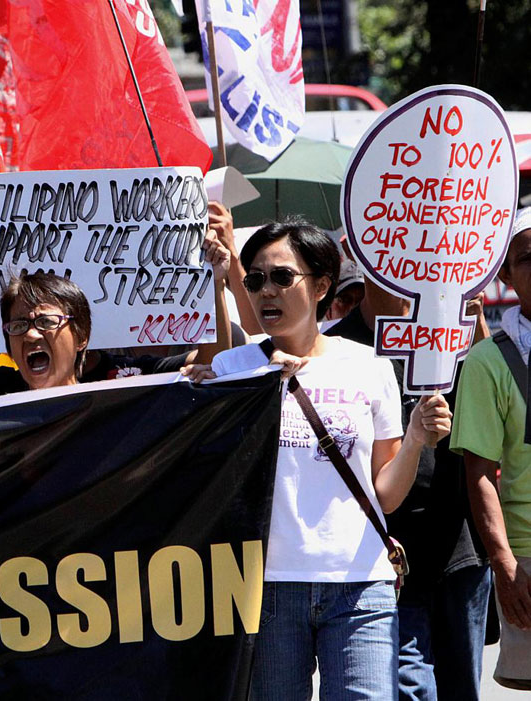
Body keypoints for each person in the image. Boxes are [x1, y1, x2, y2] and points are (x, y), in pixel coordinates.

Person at [187, 219, 451, 699]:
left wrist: (414, 440)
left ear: (322, 284)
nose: (267, 291)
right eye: (254, 280)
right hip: (264, 589)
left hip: (360, 587)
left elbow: (387, 496)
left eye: (282, 277)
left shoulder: (369, 368)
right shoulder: (232, 368)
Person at [327, 273, 491, 700]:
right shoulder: (338, 347)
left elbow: (491, 409)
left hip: (460, 544)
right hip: (386, 549)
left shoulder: (451, 331)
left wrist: (475, 326)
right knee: (411, 686)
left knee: (461, 688)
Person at [0, 227, 232, 405]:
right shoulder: (6, 390)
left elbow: (211, 366)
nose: (31, 335)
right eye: (19, 325)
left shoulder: (127, 380)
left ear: (82, 335)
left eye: (46, 322)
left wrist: (215, 284)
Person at [451, 208, 531, 690]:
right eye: (528, 258)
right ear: (505, 273)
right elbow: (479, 472)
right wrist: (503, 562)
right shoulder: (487, 361)